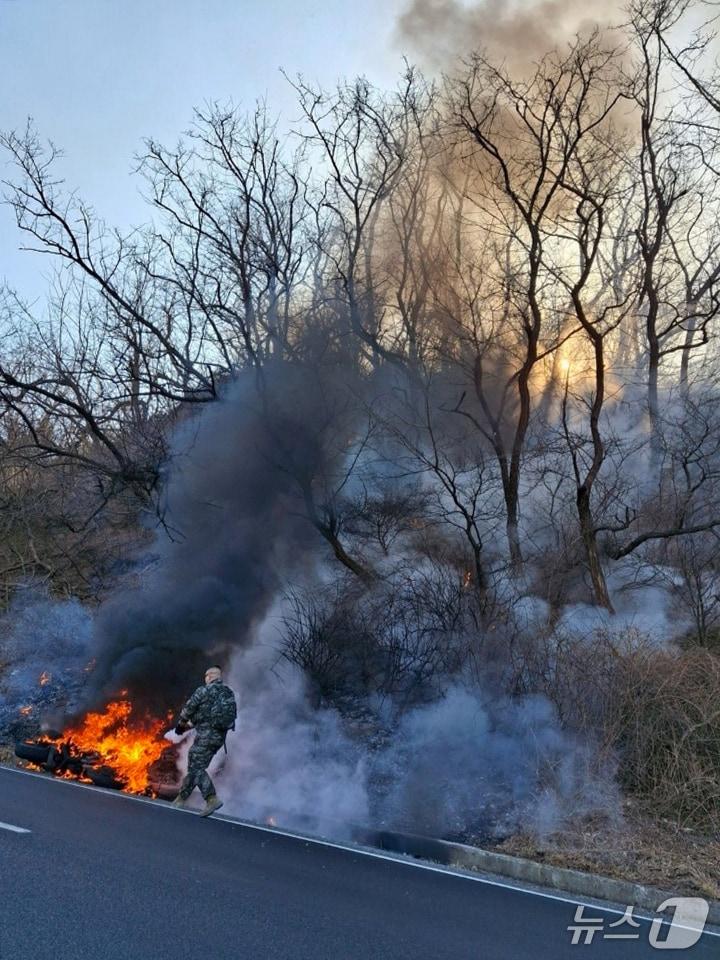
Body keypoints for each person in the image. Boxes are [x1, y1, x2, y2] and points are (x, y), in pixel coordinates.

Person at [171, 665, 237, 817]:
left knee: (196, 768)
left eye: (206, 677)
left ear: (209, 676)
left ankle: (211, 799)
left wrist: (180, 725)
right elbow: (203, 717)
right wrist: (187, 727)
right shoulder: (228, 693)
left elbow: (188, 709)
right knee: (195, 765)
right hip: (219, 738)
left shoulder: (204, 690)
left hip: (206, 737)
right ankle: (181, 798)